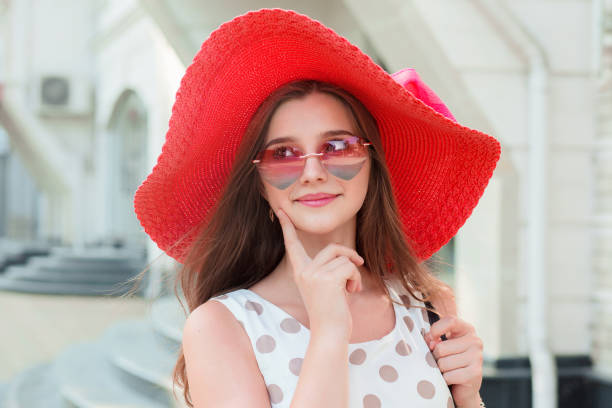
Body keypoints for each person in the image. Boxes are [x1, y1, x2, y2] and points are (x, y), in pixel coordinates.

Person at [133, 8, 500, 408]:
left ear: (373, 165)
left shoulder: (427, 306)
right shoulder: (223, 327)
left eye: (338, 146)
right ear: (258, 183)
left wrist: (470, 397)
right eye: (284, 152)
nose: (312, 171)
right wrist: (328, 332)